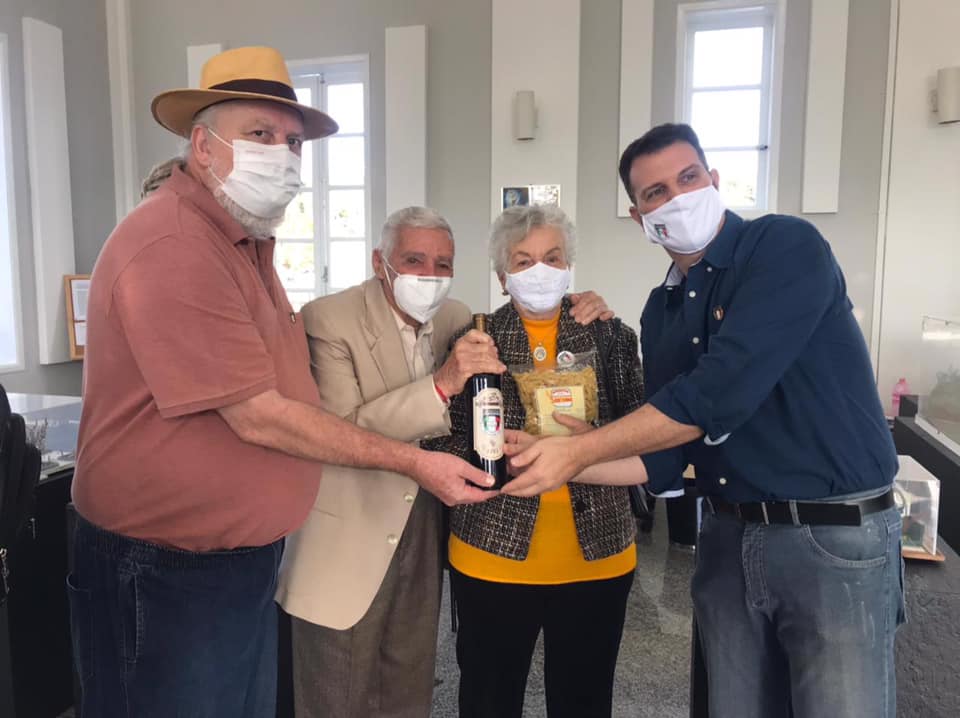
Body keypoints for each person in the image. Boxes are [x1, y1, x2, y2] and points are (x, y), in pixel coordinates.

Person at [68, 46, 497, 718]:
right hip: (167, 567)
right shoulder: (175, 243)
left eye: (293, 142)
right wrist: (417, 461)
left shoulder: (244, 243)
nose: (282, 155)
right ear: (203, 146)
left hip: (236, 559)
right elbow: (258, 414)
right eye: (259, 134)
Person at [504, 123, 904, 718]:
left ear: (714, 180)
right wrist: (555, 460)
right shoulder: (661, 309)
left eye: (688, 178)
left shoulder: (782, 246)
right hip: (726, 534)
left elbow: (715, 394)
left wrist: (582, 450)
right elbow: (666, 455)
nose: (677, 198)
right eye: (655, 193)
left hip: (829, 534)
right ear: (641, 218)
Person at [275, 205, 613, 718]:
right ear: (380, 262)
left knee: (408, 687)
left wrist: (577, 302)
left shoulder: (456, 318)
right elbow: (340, 431)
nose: (429, 276)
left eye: (443, 264)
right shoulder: (328, 318)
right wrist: (441, 384)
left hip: (429, 528)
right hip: (352, 533)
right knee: (336, 695)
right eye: (414, 260)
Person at [426, 204, 648, 718]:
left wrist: (594, 442)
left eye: (553, 257)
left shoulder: (611, 336)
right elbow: (439, 441)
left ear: (569, 266)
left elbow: (647, 430)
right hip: (492, 554)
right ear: (503, 277)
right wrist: (493, 459)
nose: (540, 270)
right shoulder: (474, 344)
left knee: (584, 700)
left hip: (598, 556)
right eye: (523, 262)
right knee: (488, 699)